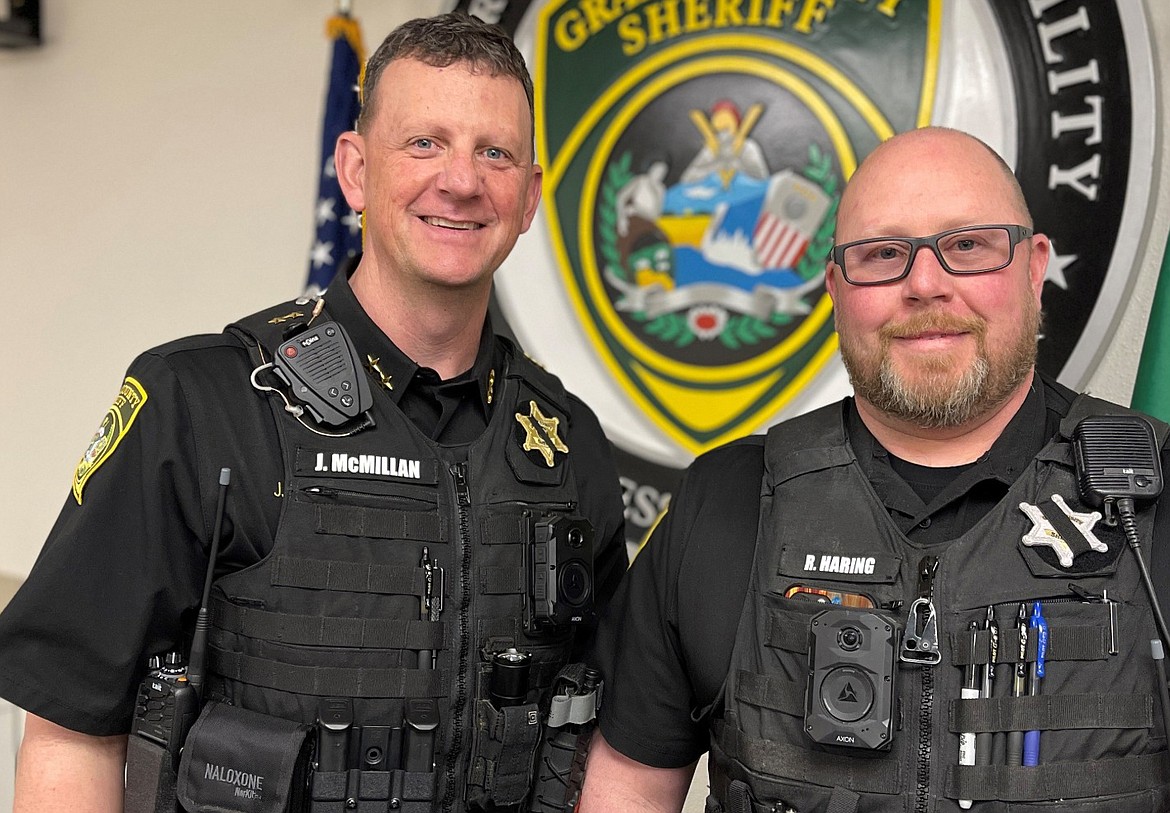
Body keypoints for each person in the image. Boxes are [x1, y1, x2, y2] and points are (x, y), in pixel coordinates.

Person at [0, 12, 626, 813]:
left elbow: (606, 741)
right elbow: (69, 726)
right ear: (356, 170)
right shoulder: (203, 402)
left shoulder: (567, 445)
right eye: (424, 142)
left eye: (494, 152)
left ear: (530, 196)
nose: (462, 181)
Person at [579, 127, 1170, 812]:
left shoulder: (1152, 501)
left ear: (1034, 267)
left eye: (968, 245)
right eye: (884, 253)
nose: (925, 283)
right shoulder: (730, 502)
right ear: (835, 286)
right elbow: (626, 787)